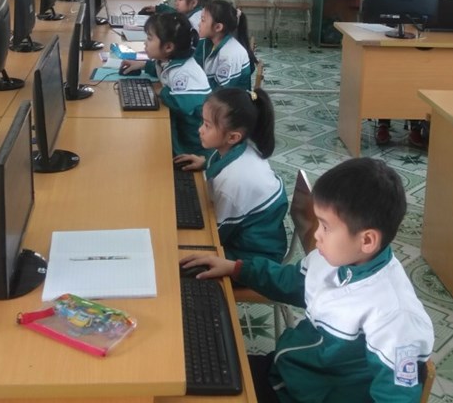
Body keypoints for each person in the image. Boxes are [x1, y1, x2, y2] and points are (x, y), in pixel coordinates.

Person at [180, 158, 435, 402]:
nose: (317, 235)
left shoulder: (396, 317)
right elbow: (293, 281)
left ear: (367, 240)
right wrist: (237, 268)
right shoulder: (336, 257)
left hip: (307, 395)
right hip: (287, 372)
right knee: (192, 366)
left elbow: (399, 395)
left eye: (326, 226)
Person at [173, 88, 287, 261]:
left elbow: (215, 235)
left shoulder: (232, 182)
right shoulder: (241, 147)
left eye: (207, 125)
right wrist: (205, 163)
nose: (200, 130)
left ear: (233, 137)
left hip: (255, 256)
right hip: (251, 236)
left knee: (179, 256)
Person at [120, 12, 210, 155]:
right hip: (182, 127)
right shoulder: (169, 60)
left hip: (192, 140)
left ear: (168, 47)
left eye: (149, 38)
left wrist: (161, 91)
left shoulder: (184, 73)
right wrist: (143, 65)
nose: (145, 43)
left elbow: (181, 104)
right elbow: (161, 68)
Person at [196, 0, 256, 90]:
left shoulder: (230, 55)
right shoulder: (209, 42)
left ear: (218, 27)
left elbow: (221, 91)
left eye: (203, 20)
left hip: (231, 98)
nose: (199, 24)